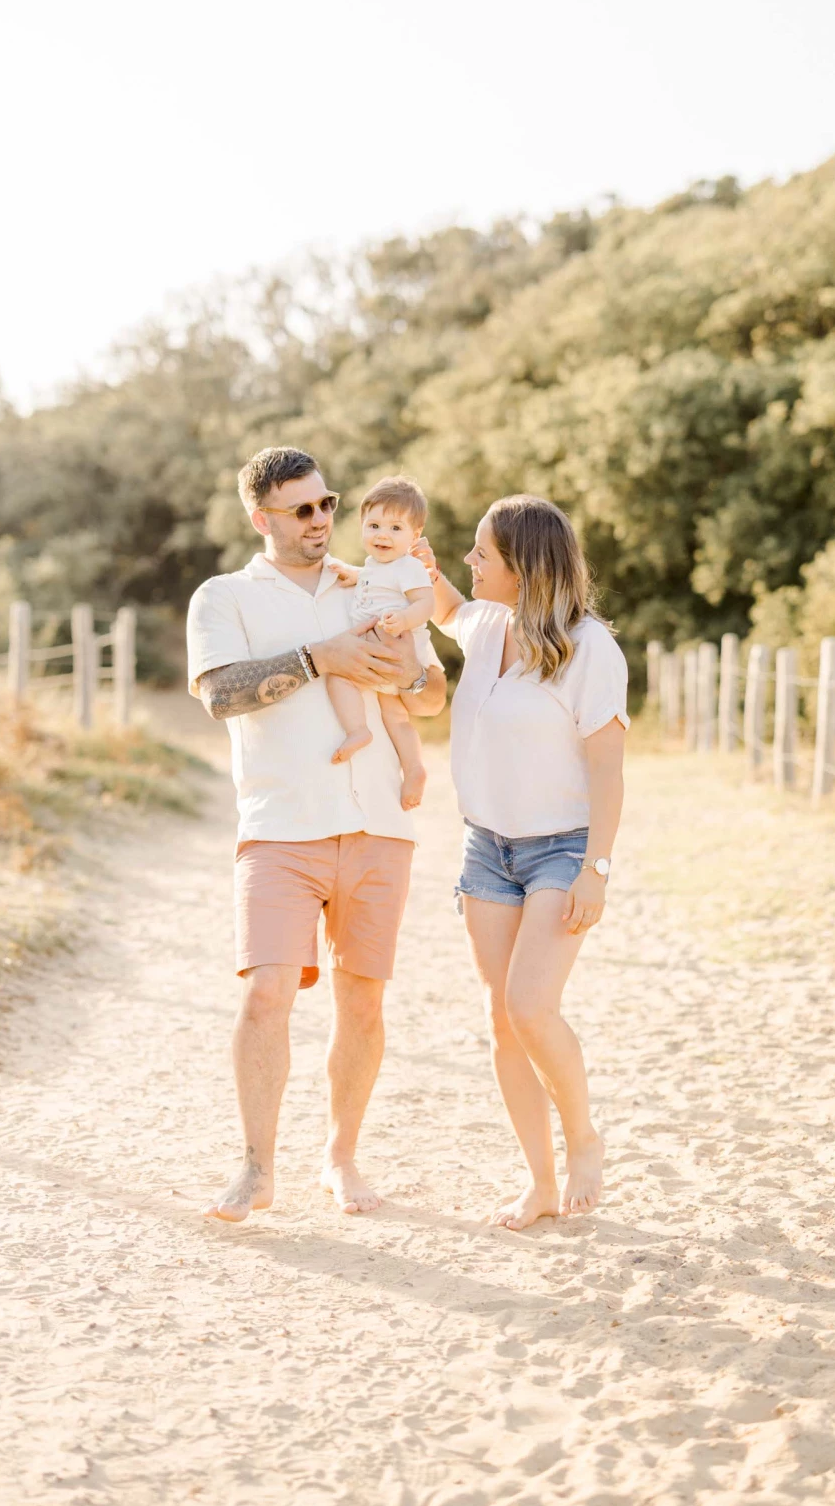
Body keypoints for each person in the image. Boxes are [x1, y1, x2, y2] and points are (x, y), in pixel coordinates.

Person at [187, 445, 446, 1222]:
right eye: (302, 510)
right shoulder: (223, 596)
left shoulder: (371, 581)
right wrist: (315, 658)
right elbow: (220, 696)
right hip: (279, 827)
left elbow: (431, 695)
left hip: (377, 824)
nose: (322, 521)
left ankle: (340, 1159)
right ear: (260, 518)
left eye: (327, 503)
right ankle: (257, 1167)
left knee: (362, 1004)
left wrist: (395, 673)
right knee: (267, 994)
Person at [416, 495, 628, 1230]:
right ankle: (539, 1182)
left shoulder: (589, 646)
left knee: (530, 1007)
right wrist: (416, 559)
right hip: (486, 849)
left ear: (524, 566)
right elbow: (443, 604)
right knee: (503, 1022)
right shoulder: (482, 625)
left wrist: (594, 870)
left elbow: (607, 770)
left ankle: (585, 1140)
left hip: (561, 849)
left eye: (483, 554)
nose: (471, 564)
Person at [324, 474, 435, 810]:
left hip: (391, 645)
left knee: (337, 677)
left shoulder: (411, 567)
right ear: (361, 527)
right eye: (373, 526)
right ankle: (414, 768)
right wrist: (353, 575)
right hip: (381, 652)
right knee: (396, 716)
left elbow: (426, 604)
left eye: (395, 529)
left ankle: (358, 729)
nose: (382, 535)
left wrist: (405, 619)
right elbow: (374, 579)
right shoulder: (375, 566)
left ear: (414, 536)